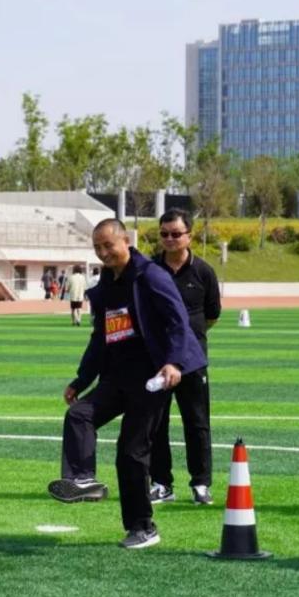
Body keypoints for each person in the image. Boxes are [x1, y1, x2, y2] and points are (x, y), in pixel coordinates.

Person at [47, 219, 206, 549]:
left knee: (131, 453)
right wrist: (82, 379)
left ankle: (143, 527)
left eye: (108, 245)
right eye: (97, 247)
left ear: (126, 241)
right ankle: (82, 479)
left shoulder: (151, 275)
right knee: (79, 415)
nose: (103, 252)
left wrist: (174, 363)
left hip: (151, 380)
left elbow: (178, 320)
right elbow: (100, 337)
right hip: (117, 376)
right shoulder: (106, 284)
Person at [148, 209, 221, 505]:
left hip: (193, 361)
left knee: (197, 423)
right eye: (164, 234)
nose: (169, 239)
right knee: (155, 423)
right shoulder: (150, 270)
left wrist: (189, 341)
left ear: (189, 236)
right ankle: (161, 483)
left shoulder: (204, 272)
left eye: (176, 234)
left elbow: (212, 315)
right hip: (156, 360)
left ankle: (201, 484)